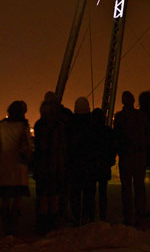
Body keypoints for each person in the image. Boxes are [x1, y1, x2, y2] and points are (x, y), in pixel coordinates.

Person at [0, 100, 33, 235]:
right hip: (19, 167)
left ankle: (5, 225)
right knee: (17, 198)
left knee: (4, 197)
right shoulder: (23, 126)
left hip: (5, 166)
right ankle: (14, 225)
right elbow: (29, 146)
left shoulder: (2, 126)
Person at [113, 90, 150, 227]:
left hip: (126, 157)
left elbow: (116, 138)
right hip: (139, 156)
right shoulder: (141, 116)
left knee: (126, 188)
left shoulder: (120, 117)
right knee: (139, 187)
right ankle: (140, 214)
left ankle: (128, 215)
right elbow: (147, 135)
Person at [33, 95, 67, 234]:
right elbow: (62, 148)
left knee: (43, 197)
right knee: (54, 197)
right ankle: (53, 224)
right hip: (55, 167)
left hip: (41, 166)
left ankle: (43, 225)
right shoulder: (60, 126)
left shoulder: (39, 125)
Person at [67, 97, 98, 226]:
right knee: (89, 193)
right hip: (89, 164)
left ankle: (76, 217)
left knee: (75, 193)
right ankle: (87, 216)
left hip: (75, 164)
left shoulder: (71, 124)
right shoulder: (92, 124)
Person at [92, 108, 116, 221]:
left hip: (92, 165)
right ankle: (103, 214)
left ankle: (91, 215)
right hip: (104, 164)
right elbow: (112, 148)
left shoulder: (90, 132)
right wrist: (110, 161)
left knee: (91, 192)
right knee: (103, 191)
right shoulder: (108, 132)